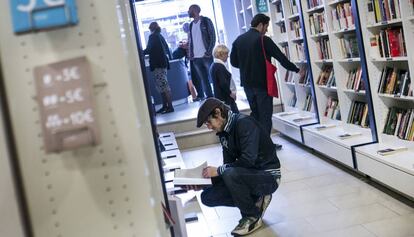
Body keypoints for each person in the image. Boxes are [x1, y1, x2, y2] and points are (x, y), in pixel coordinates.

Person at [195, 98, 281, 236]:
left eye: (208, 122)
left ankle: (252, 216)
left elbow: (247, 161)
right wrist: (204, 182)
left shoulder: (244, 124)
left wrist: (218, 170)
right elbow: (228, 167)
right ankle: (257, 200)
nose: (209, 127)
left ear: (218, 113)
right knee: (207, 197)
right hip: (247, 176)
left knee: (229, 174)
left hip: (268, 176)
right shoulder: (223, 133)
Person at [230, 14, 303, 149]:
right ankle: (265, 147)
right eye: (266, 26)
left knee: (255, 114)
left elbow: (233, 62)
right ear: (261, 24)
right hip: (262, 84)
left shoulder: (239, 40)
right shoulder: (263, 40)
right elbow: (281, 58)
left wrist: (247, 65)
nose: (266, 30)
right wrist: (297, 70)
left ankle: (257, 145)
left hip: (247, 84)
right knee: (265, 116)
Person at [143, 22, 174, 114]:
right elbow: (166, 48)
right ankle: (165, 106)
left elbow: (149, 49)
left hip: (158, 65)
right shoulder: (159, 35)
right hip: (163, 64)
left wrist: (140, 52)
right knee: (162, 86)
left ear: (151, 28)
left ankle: (170, 107)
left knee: (163, 86)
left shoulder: (153, 36)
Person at [188, 4, 216, 101]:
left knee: (213, 77)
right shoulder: (191, 24)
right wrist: (190, 54)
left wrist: (208, 52)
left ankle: (218, 96)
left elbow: (212, 36)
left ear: (195, 10)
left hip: (206, 55)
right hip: (196, 58)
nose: (188, 12)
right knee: (203, 79)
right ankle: (210, 98)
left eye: (189, 10)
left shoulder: (206, 21)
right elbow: (191, 40)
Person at [209, 44, 239, 113]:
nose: (228, 56)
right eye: (226, 54)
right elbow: (223, 83)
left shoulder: (214, 65)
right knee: (235, 118)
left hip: (221, 98)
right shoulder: (219, 67)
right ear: (220, 54)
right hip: (226, 99)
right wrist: (231, 93)